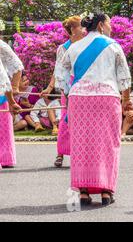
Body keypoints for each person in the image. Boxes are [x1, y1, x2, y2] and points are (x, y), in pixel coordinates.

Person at [55, 12, 132, 207]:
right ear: (100, 25)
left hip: (79, 99)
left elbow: (61, 73)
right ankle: (106, 191)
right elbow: (124, 76)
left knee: (81, 144)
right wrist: (126, 100)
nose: (111, 28)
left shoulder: (73, 47)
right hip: (107, 97)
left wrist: (67, 90)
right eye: (109, 24)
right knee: (108, 143)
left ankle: (83, 192)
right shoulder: (113, 45)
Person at [42, 16, 84, 167]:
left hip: (84, 87)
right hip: (68, 88)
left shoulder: (87, 45)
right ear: (72, 29)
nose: (84, 29)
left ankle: (80, 155)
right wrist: (49, 87)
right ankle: (60, 153)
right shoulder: (63, 48)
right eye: (80, 26)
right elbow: (58, 70)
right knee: (66, 121)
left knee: (82, 123)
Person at [0, 39, 23, 169]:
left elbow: (17, 66)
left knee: (3, 129)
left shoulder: (1, 45)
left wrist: (14, 87)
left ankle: (5, 157)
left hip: (2, 94)